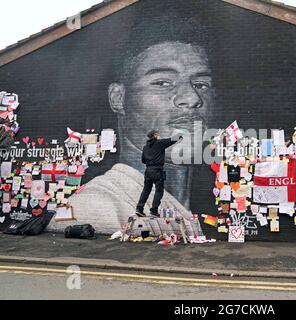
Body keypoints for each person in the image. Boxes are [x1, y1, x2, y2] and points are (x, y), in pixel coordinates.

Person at [48, 15, 214, 234]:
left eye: (201, 84)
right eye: (162, 83)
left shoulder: (198, 204)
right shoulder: (96, 207)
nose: (191, 97)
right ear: (118, 98)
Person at [136, 130, 183, 217]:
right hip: (157, 170)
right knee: (159, 191)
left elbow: (143, 160)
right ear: (155, 135)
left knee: (146, 190)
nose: (159, 135)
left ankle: (139, 208)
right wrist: (181, 134)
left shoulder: (145, 147)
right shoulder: (160, 143)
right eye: (158, 134)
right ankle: (154, 210)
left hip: (148, 171)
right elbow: (171, 140)